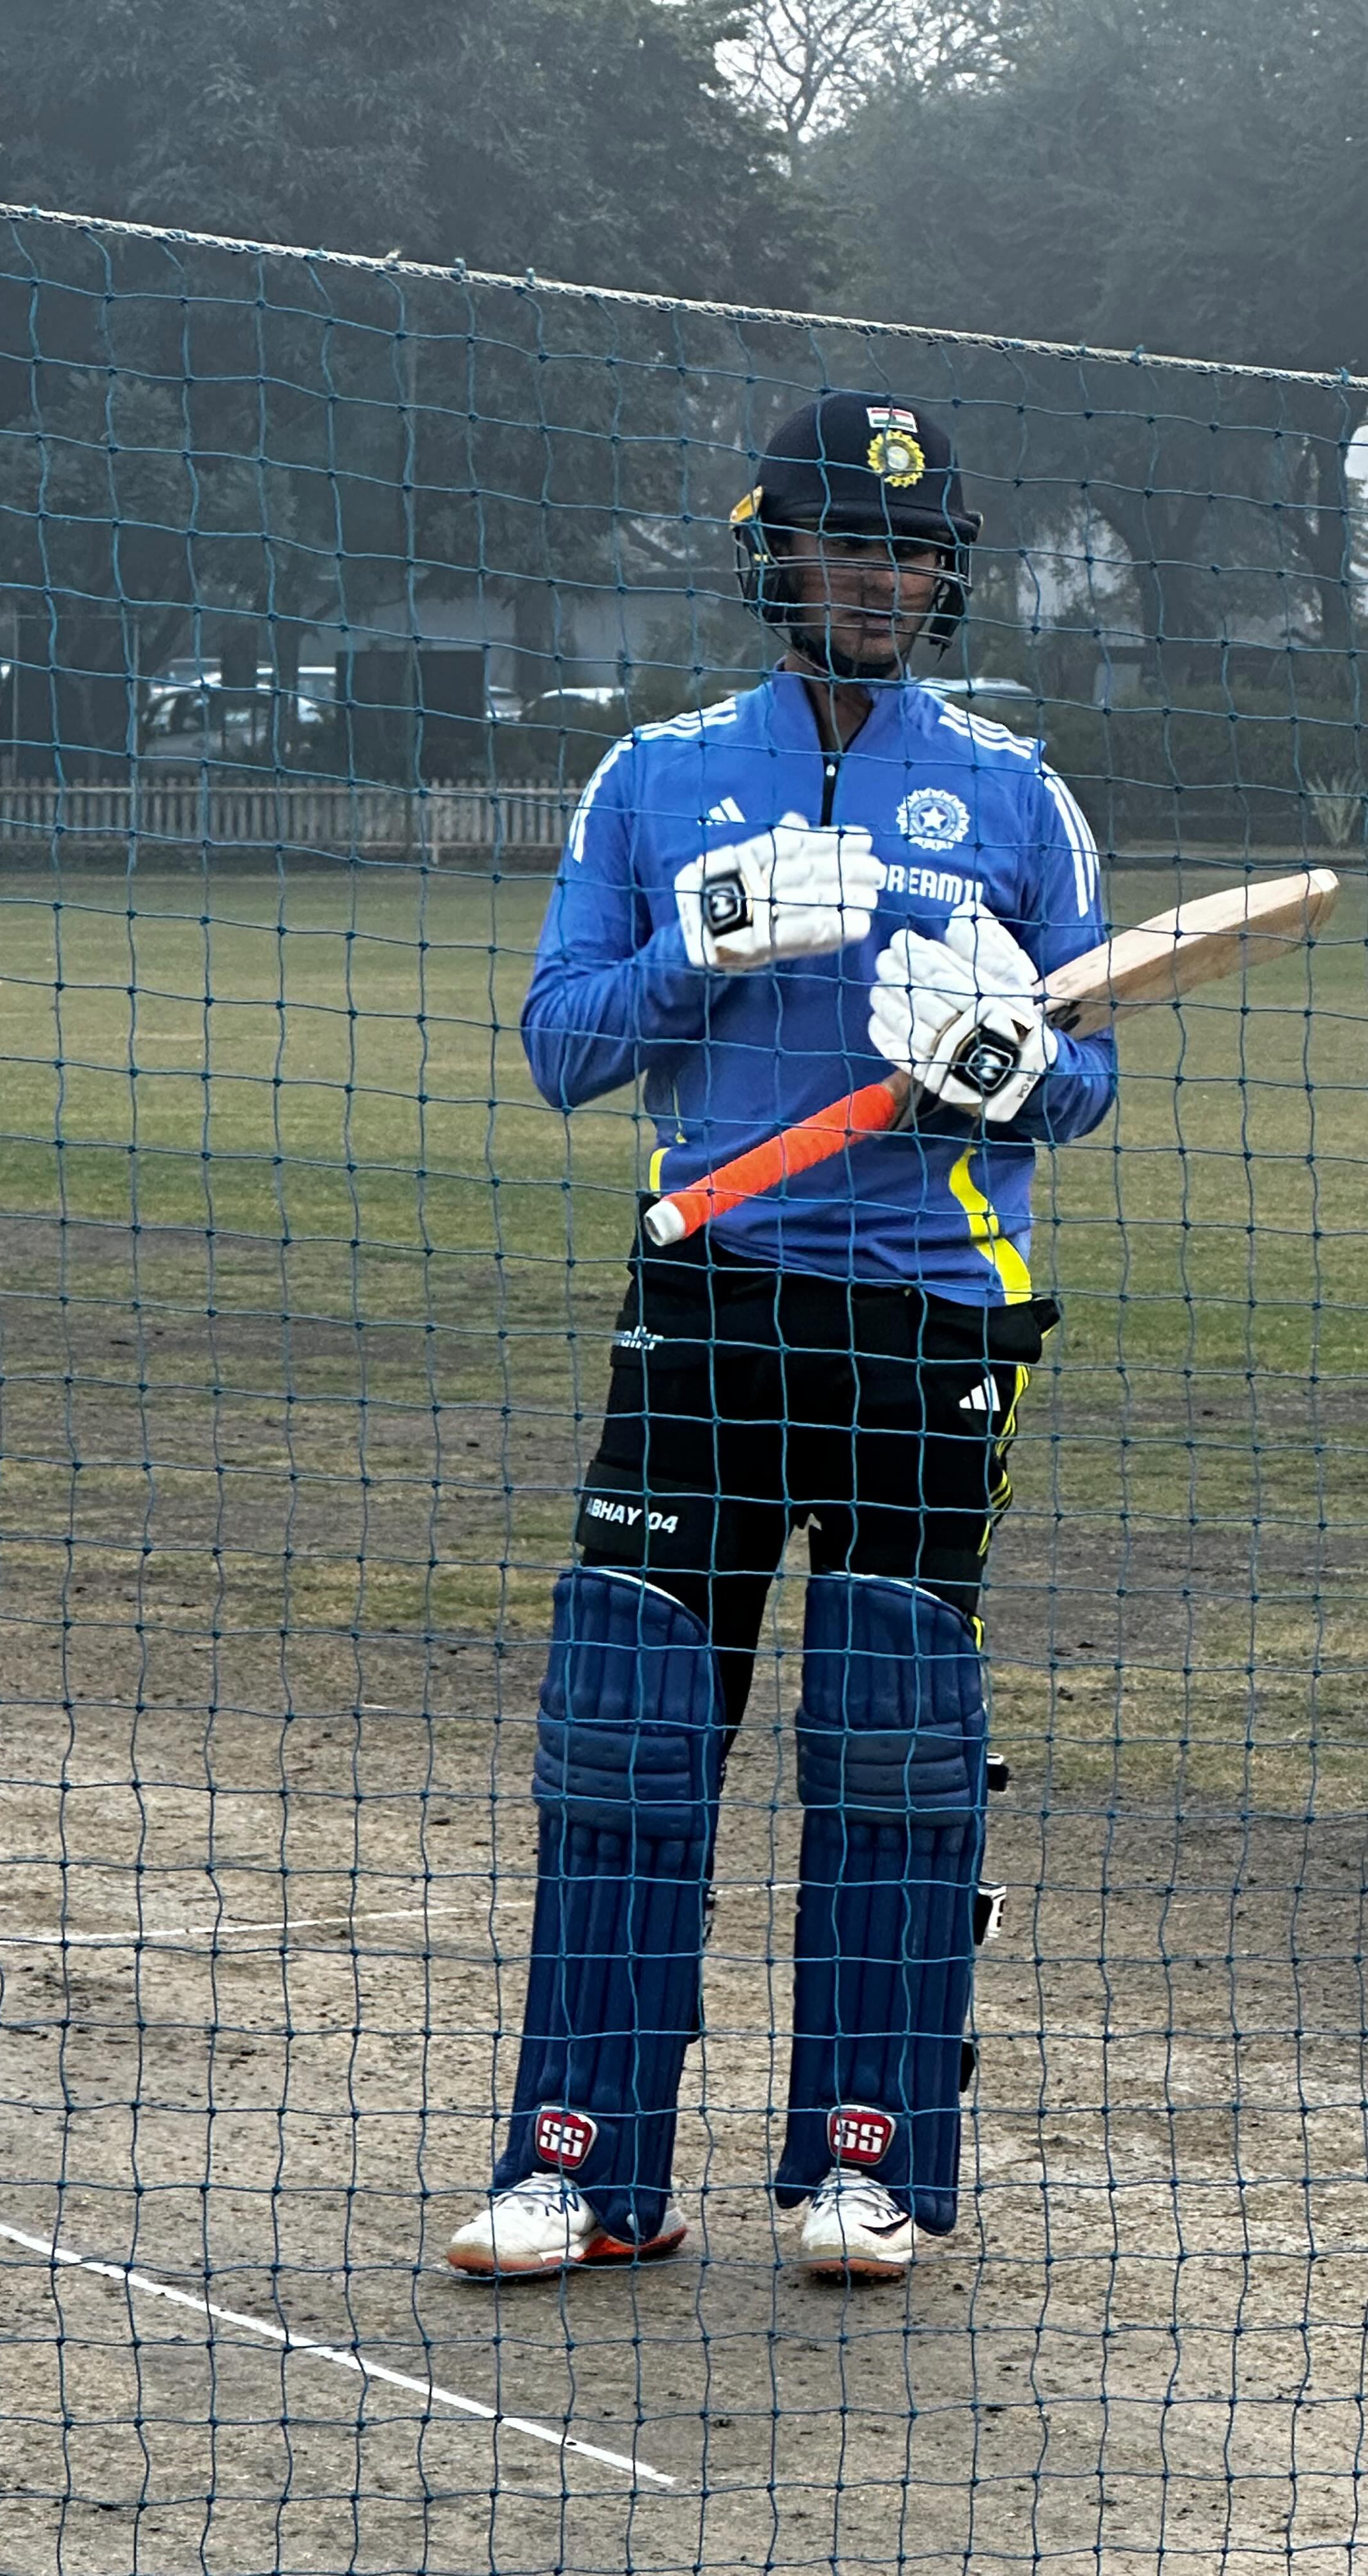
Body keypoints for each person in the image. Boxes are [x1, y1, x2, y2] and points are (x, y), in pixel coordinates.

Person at [446, 391, 1116, 2282]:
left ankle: (868, 2159)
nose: (882, 577)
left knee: (894, 1743)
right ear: (773, 559)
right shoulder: (652, 780)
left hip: (929, 1322)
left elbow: (1092, 1077)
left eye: (912, 548)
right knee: (628, 1740)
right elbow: (565, 1046)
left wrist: (1005, 1073)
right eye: (842, 540)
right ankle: (581, 2167)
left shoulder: (1012, 793)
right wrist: (700, 947)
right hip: (708, 1304)